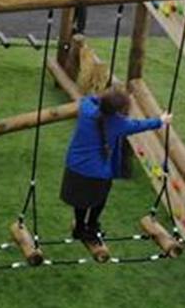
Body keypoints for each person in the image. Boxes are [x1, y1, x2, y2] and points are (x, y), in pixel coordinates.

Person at [60, 88, 169, 246]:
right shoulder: (118, 123)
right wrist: (162, 120)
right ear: (118, 111)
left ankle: (79, 227)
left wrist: (104, 97)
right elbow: (140, 125)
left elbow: (89, 98)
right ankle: (91, 227)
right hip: (96, 173)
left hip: (74, 165)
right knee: (99, 200)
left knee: (81, 200)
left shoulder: (86, 109)